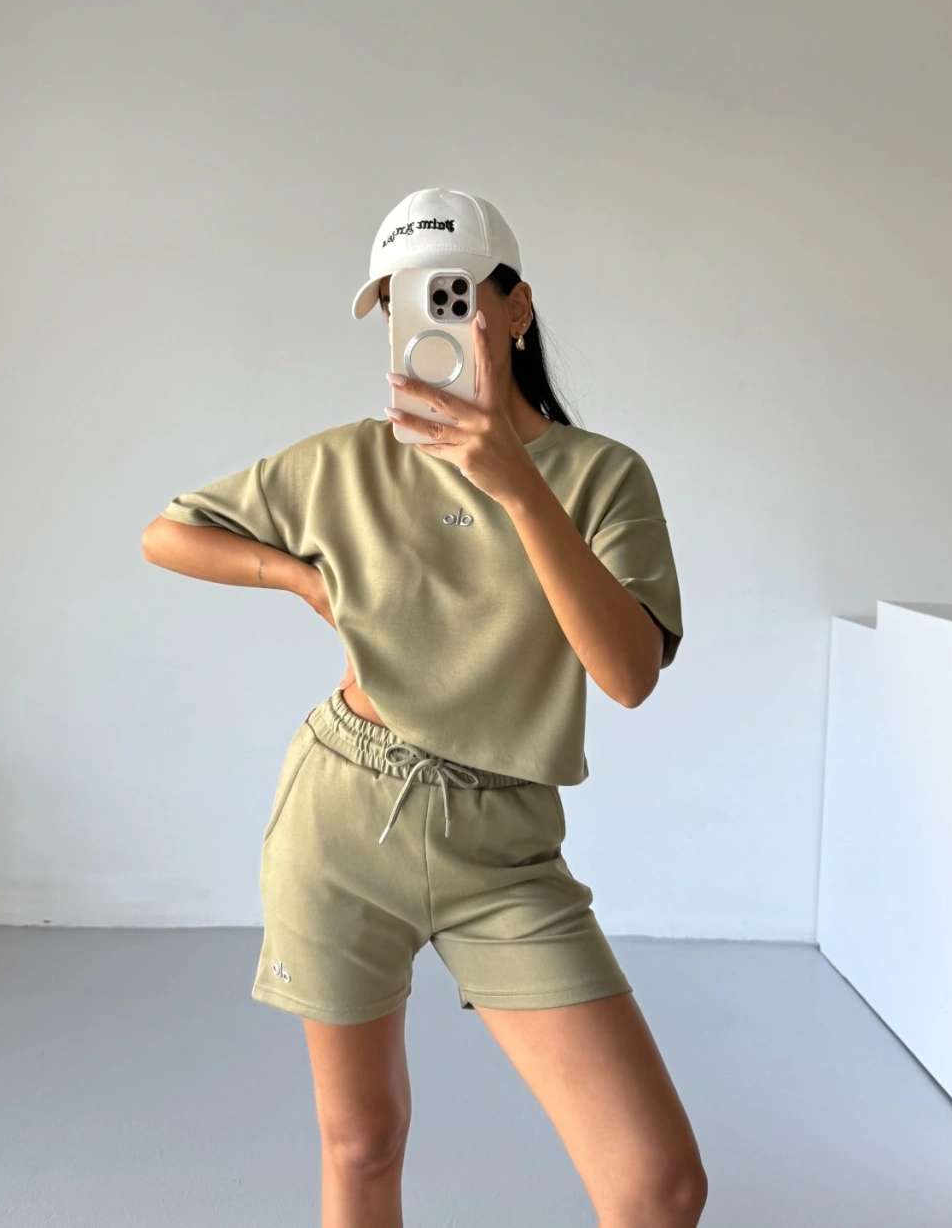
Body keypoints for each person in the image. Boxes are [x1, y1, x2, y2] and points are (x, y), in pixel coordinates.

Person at [141, 188, 707, 1228]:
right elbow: (168, 533)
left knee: (658, 1184)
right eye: (401, 304)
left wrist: (516, 484)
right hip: (342, 818)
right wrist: (298, 578)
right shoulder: (348, 461)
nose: (428, 321)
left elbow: (627, 675)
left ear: (516, 309)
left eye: (452, 294)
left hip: (506, 850)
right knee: (363, 1144)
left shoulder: (602, 478)